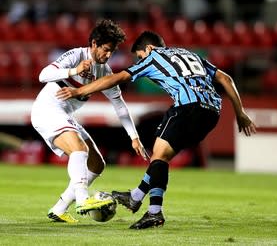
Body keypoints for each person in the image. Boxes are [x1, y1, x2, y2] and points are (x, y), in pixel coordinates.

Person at [56, 31, 256, 228]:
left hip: (188, 107)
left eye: (140, 56)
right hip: (212, 113)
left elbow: (117, 78)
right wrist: (240, 114)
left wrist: (79, 90)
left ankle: (154, 213)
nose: (141, 60)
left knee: (159, 157)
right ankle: (135, 196)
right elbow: (226, 79)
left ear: (149, 48)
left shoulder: (154, 57)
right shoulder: (192, 55)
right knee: (161, 156)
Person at [31, 19, 147, 223]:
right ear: (94, 43)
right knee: (79, 149)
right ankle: (83, 199)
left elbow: (119, 105)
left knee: (96, 164)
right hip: (47, 110)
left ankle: (59, 208)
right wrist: (73, 71)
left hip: (64, 115)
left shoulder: (104, 72)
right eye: (105, 49)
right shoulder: (76, 55)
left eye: (112, 51)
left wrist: (134, 137)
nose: (108, 55)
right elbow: (43, 75)